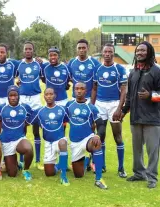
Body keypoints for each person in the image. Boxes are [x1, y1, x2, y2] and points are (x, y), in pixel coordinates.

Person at [118, 41, 160, 189]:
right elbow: (129, 95)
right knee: (137, 148)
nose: (139, 53)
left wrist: (150, 95)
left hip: (152, 118)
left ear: (149, 52)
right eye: (138, 50)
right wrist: (124, 111)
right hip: (135, 117)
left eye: (143, 50)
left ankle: (152, 177)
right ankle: (139, 173)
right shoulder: (133, 72)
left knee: (152, 149)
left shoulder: (156, 71)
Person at [91, 43, 127, 178]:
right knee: (101, 136)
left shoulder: (119, 69)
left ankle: (121, 168)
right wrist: (92, 108)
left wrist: (119, 108)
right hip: (100, 105)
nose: (107, 54)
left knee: (118, 137)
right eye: (105, 52)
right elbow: (94, 89)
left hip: (114, 105)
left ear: (113, 53)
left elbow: (124, 90)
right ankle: (102, 165)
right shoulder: (97, 69)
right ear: (102, 53)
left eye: (110, 52)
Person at [66, 82, 108, 190]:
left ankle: (99, 179)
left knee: (96, 143)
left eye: (82, 89)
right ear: (74, 90)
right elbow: (63, 121)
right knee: (78, 175)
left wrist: (98, 136)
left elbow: (101, 125)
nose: (79, 91)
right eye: (77, 88)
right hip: (75, 143)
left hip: (87, 139)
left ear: (86, 91)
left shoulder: (91, 108)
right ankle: (86, 159)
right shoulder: (69, 105)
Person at [0, 85, 34, 181]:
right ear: (8, 96)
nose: (13, 98)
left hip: (19, 139)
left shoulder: (25, 108)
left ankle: (26, 170)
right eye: (11, 95)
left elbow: (25, 124)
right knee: (12, 174)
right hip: (6, 142)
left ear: (19, 96)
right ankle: (15, 163)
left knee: (28, 149)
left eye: (15, 95)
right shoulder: (1, 108)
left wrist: (23, 136)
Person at [16, 41, 43, 170]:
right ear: (23, 51)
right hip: (23, 99)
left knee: (36, 129)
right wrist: (17, 82)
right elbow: (14, 78)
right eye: (26, 49)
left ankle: (37, 160)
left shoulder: (39, 64)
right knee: (22, 128)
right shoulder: (19, 64)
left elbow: (44, 78)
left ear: (33, 51)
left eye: (30, 49)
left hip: (36, 99)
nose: (28, 51)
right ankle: (21, 160)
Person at [37, 88, 69, 186]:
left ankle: (63, 176)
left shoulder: (62, 109)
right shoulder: (40, 111)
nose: (49, 96)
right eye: (47, 94)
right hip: (48, 143)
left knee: (63, 142)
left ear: (55, 95)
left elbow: (67, 121)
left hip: (60, 140)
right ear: (44, 96)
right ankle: (59, 165)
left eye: (51, 94)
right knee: (49, 173)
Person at [68, 39, 101, 103]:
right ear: (76, 49)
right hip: (75, 97)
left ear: (87, 48)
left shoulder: (95, 62)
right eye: (79, 48)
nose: (81, 50)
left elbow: (98, 82)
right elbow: (67, 77)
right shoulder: (72, 62)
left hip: (89, 98)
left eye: (83, 48)